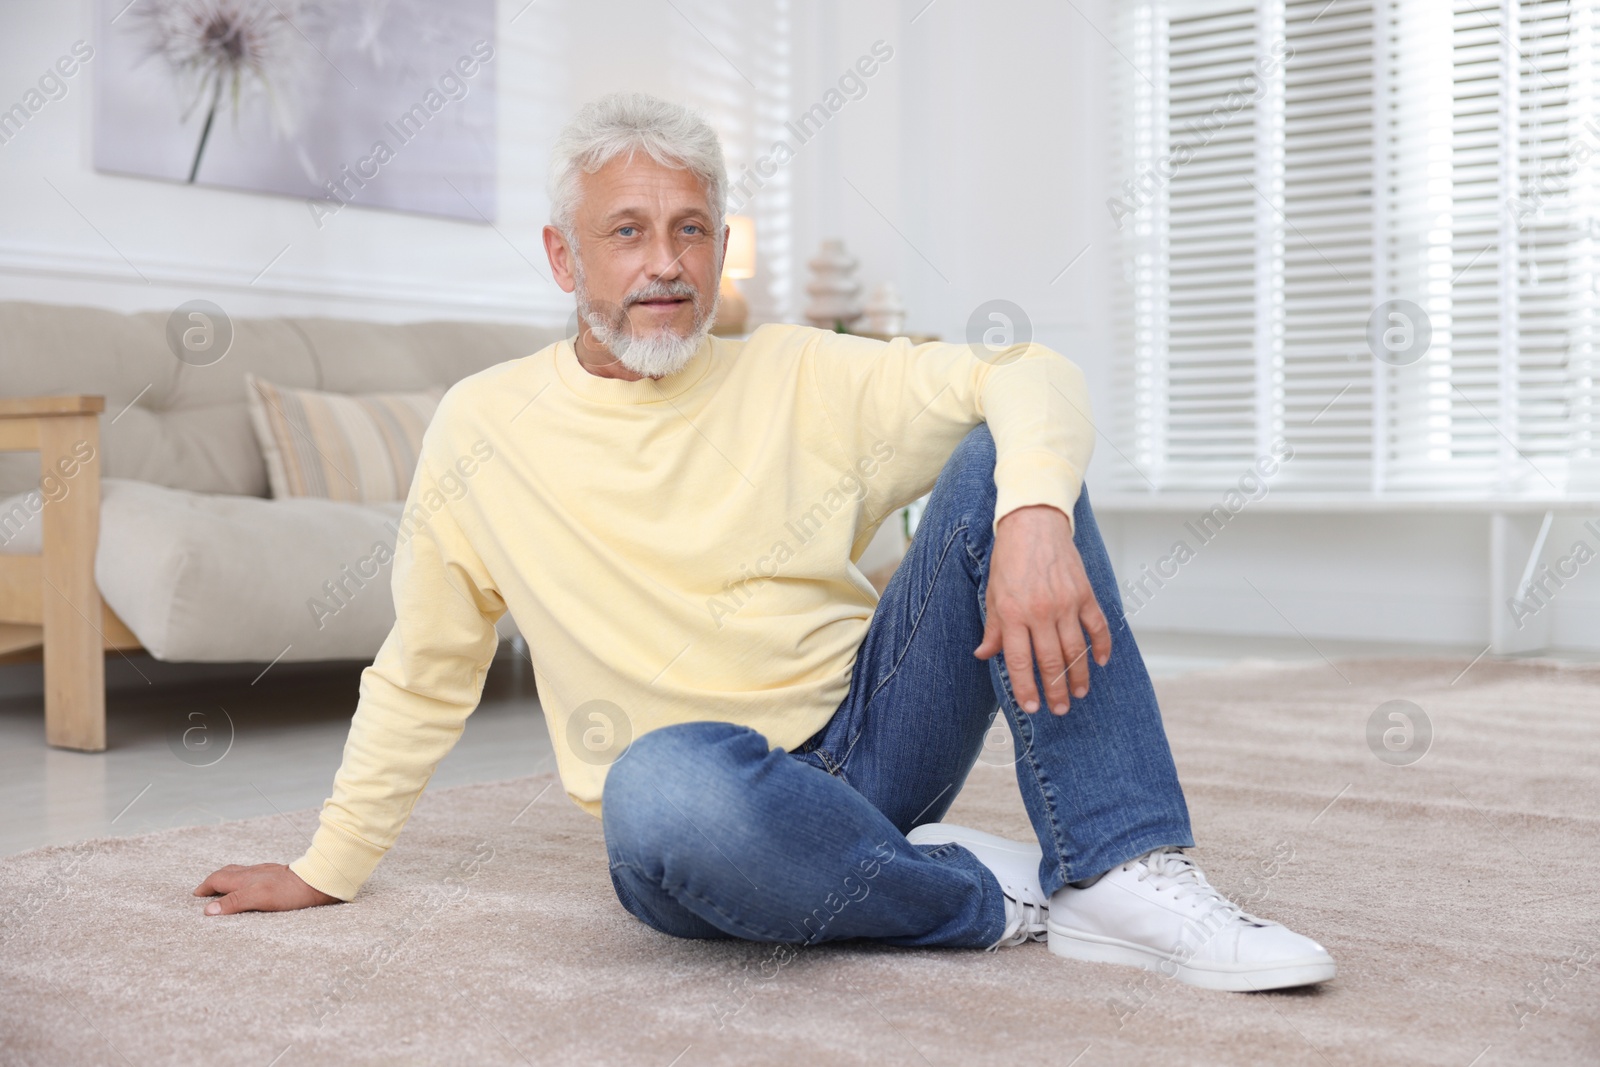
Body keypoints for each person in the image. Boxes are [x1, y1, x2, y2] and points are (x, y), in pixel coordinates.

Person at [194, 91, 1334, 993]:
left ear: (720, 244)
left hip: (876, 734)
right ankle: (995, 898)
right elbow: (426, 664)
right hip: (702, 803)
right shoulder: (482, 426)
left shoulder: (797, 368)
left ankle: (1127, 870)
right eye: (627, 231)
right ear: (562, 258)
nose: (666, 264)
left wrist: (1034, 514)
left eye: (692, 230)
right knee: (661, 791)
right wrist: (325, 866)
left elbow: (1027, 372)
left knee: (1004, 458)